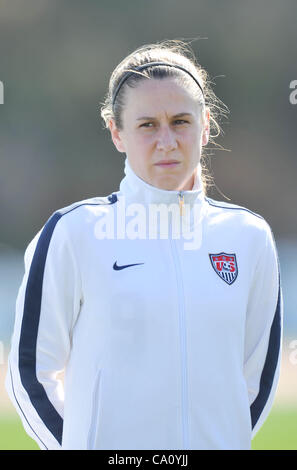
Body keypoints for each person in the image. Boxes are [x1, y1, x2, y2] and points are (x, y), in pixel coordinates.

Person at [6, 40, 283, 450]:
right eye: (147, 124)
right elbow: (31, 373)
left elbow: (255, 382)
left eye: (181, 121)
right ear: (117, 133)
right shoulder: (74, 232)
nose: (167, 141)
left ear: (206, 125)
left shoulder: (250, 237)